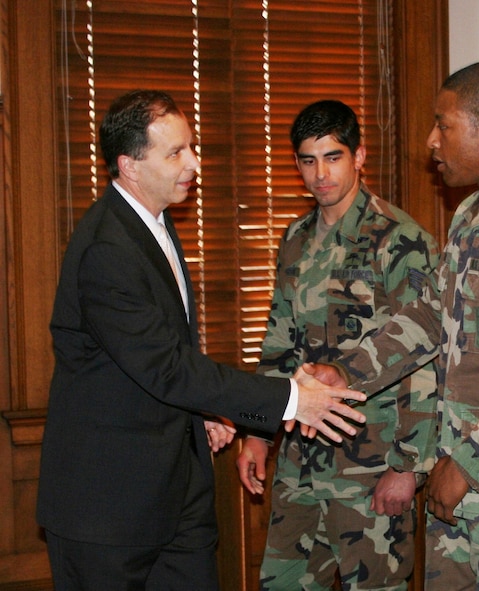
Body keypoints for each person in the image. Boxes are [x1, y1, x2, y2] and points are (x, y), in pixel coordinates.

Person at [36, 90, 366, 591]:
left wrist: (203, 413)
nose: (194, 164)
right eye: (176, 153)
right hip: (108, 509)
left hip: (175, 496)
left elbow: (159, 355)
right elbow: (164, 367)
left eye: (191, 147)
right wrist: (294, 400)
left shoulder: (153, 224)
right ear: (128, 165)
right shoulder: (108, 248)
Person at [313, 61, 479, 590]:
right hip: (454, 488)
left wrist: (469, 463)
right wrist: (345, 375)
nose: (431, 139)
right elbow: (428, 318)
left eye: (444, 124)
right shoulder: (470, 216)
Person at [235, 99, 439, 590]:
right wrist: (259, 433)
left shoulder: (399, 239)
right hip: (300, 464)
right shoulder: (297, 238)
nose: (320, 174)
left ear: (359, 155)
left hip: (370, 467)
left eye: (332, 157)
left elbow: (426, 359)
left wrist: (409, 468)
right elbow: (279, 342)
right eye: (308, 160)